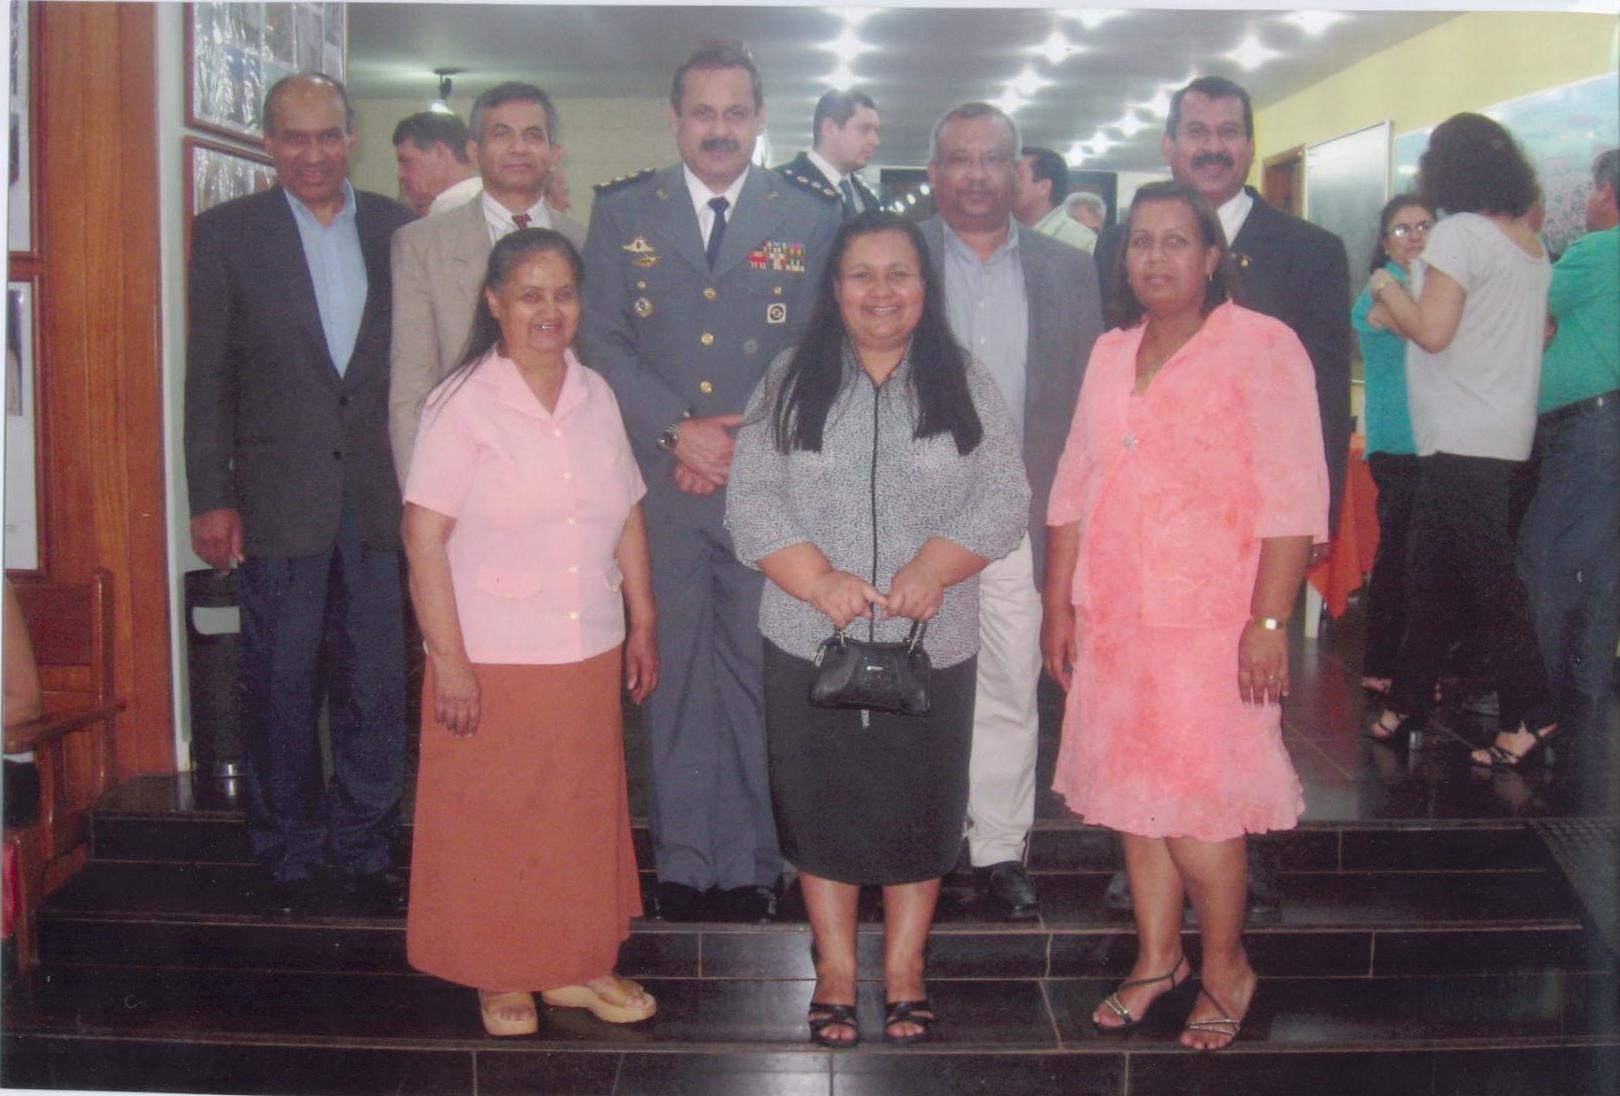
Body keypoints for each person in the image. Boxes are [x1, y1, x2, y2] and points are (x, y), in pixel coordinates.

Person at [727, 211, 1029, 1047]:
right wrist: (818, 580)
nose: (882, 291)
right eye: (862, 274)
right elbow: (752, 497)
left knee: (920, 807)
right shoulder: (789, 378)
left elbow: (1004, 494)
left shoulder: (962, 379)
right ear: (835, 288)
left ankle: (904, 970)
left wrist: (935, 565)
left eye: (900, 273)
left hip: (931, 638)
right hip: (807, 632)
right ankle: (833, 970)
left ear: (925, 287)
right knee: (819, 805)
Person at [1042, 181, 1327, 1052]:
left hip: (1213, 624)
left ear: (1210, 257)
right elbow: (1074, 482)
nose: (1155, 257)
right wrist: (1059, 601)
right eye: (1141, 241)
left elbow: (1293, 498)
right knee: (1135, 801)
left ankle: (1226, 967)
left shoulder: (1262, 345)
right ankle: (1157, 958)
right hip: (1117, 618)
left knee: (1201, 811)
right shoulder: (1109, 352)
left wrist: (1268, 624)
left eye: (1175, 241)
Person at [579, 45, 843, 924]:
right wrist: (677, 430)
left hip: (765, 484)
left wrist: (738, 444)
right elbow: (601, 338)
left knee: (759, 674)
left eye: (736, 113)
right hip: (660, 483)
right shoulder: (623, 211)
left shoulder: (808, 215)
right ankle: (688, 863)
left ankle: (756, 862)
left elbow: (818, 346)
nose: (719, 129)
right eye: (703, 113)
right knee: (674, 672)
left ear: (760, 120)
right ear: (675, 120)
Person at [1094, 76, 1350, 920]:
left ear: (1249, 142)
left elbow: (1319, 411)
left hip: (1243, 551)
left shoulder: (1309, 250)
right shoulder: (1125, 249)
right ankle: (1157, 870)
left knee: (1237, 726)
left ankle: (1241, 875)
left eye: (1229, 131)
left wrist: (1310, 538)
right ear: (1169, 144)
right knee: (1149, 725)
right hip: (1145, 554)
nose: (1213, 145)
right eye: (1196, 130)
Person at [402, 228, 656, 1038]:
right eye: (530, 295)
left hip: (586, 643)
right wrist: (449, 662)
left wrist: (644, 620)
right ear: (495, 303)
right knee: (497, 816)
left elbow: (627, 511)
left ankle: (577, 965)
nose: (550, 311)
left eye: (564, 294)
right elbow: (422, 534)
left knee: (579, 814)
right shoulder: (463, 403)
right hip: (493, 653)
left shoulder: (595, 393)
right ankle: (500, 971)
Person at [184, 73, 416, 917]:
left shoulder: (397, 228)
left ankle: (365, 846)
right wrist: (209, 495)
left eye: (327, 136)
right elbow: (207, 376)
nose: (312, 154)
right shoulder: (227, 234)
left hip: (380, 496)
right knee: (280, 683)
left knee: (376, 684)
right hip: (279, 498)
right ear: (268, 142)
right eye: (294, 137)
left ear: (352, 138)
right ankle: (286, 848)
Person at [918, 103, 1102, 921]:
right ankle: (918, 840)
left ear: (1018, 172)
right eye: (958, 159)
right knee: (913, 686)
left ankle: (996, 849)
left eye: (992, 159)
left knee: (1007, 688)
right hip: (914, 520)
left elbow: (1084, 409)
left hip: (1018, 518)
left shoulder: (1068, 270)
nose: (975, 175)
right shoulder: (896, 258)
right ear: (934, 172)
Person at [1365, 113, 1557, 769]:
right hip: (1499, 434)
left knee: (1487, 583)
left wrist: (1385, 284)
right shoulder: (1527, 243)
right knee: (1431, 573)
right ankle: (1409, 701)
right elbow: (1515, 335)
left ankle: (1530, 713)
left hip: (1461, 438)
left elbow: (1433, 331)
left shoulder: (1460, 234)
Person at [390, 82, 585, 486]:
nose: (518, 148)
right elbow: (411, 389)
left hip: (567, 469)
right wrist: (421, 498)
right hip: (465, 474)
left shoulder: (587, 243)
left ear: (554, 153)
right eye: (501, 134)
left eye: (533, 135)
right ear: (474, 151)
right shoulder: (422, 246)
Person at [1518, 149, 1619, 756]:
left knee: (1544, 559)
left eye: (1590, 190)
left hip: (1587, 428)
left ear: (1607, 192)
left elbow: (1527, 304)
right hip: (1607, 428)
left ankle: (1533, 705)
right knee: (1603, 567)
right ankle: (1586, 696)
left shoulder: (1600, 250)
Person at [1352, 195, 1436, 696]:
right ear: (1385, 243)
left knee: (1427, 558)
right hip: (1398, 441)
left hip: (1437, 440)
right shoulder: (1379, 290)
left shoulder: (1436, 286)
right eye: (1402, 229)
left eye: (1424, 226)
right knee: (1400, 555)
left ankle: (1417, 669)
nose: (1415, 236)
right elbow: (1429, 334)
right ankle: (1382, 664)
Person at [777, 89, 881, 217]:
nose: (875, 141)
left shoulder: (869, 200)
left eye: (876, 131)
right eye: (864, 129)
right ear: (830, 128)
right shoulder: (780, 186)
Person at [392, 111, 476, 217]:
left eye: (407, 161)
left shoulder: (455, 214)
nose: (399, 175)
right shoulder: (483, 206)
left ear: (439, 152)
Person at [1014, 146, 1097, 253]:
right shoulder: (999, 236)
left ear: (1043, 187)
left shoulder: (1082, 243)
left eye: (1017, 177)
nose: (1005, 182)